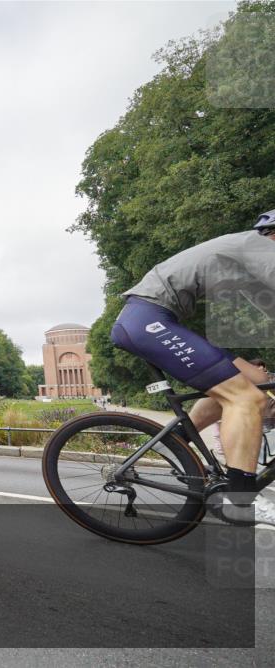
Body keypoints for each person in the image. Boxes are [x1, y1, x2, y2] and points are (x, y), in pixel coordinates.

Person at [109, 208, 275, 526]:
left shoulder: (247, 256)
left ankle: (182, 448)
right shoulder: (258, 246)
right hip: (148, 319)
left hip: (156, 319)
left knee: (254, 380)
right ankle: (239, 501)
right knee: (246, 399)